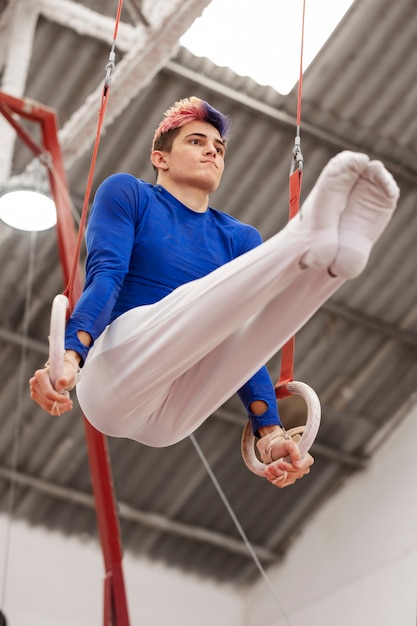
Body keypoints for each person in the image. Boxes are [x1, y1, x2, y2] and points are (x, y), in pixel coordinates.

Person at [29, 97, 399, 488]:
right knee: (203, 303)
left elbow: (245, 346)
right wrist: (69, 358)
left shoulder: (239, 239)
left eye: (219, 148)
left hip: (174, 419)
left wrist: (270, 433)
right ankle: (302, 242)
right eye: (196, 141)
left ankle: (330, 269)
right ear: (160, 158)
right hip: (115, 377)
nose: (212, 150)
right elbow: (106, 276)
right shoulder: (129, 194)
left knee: (242, 320)